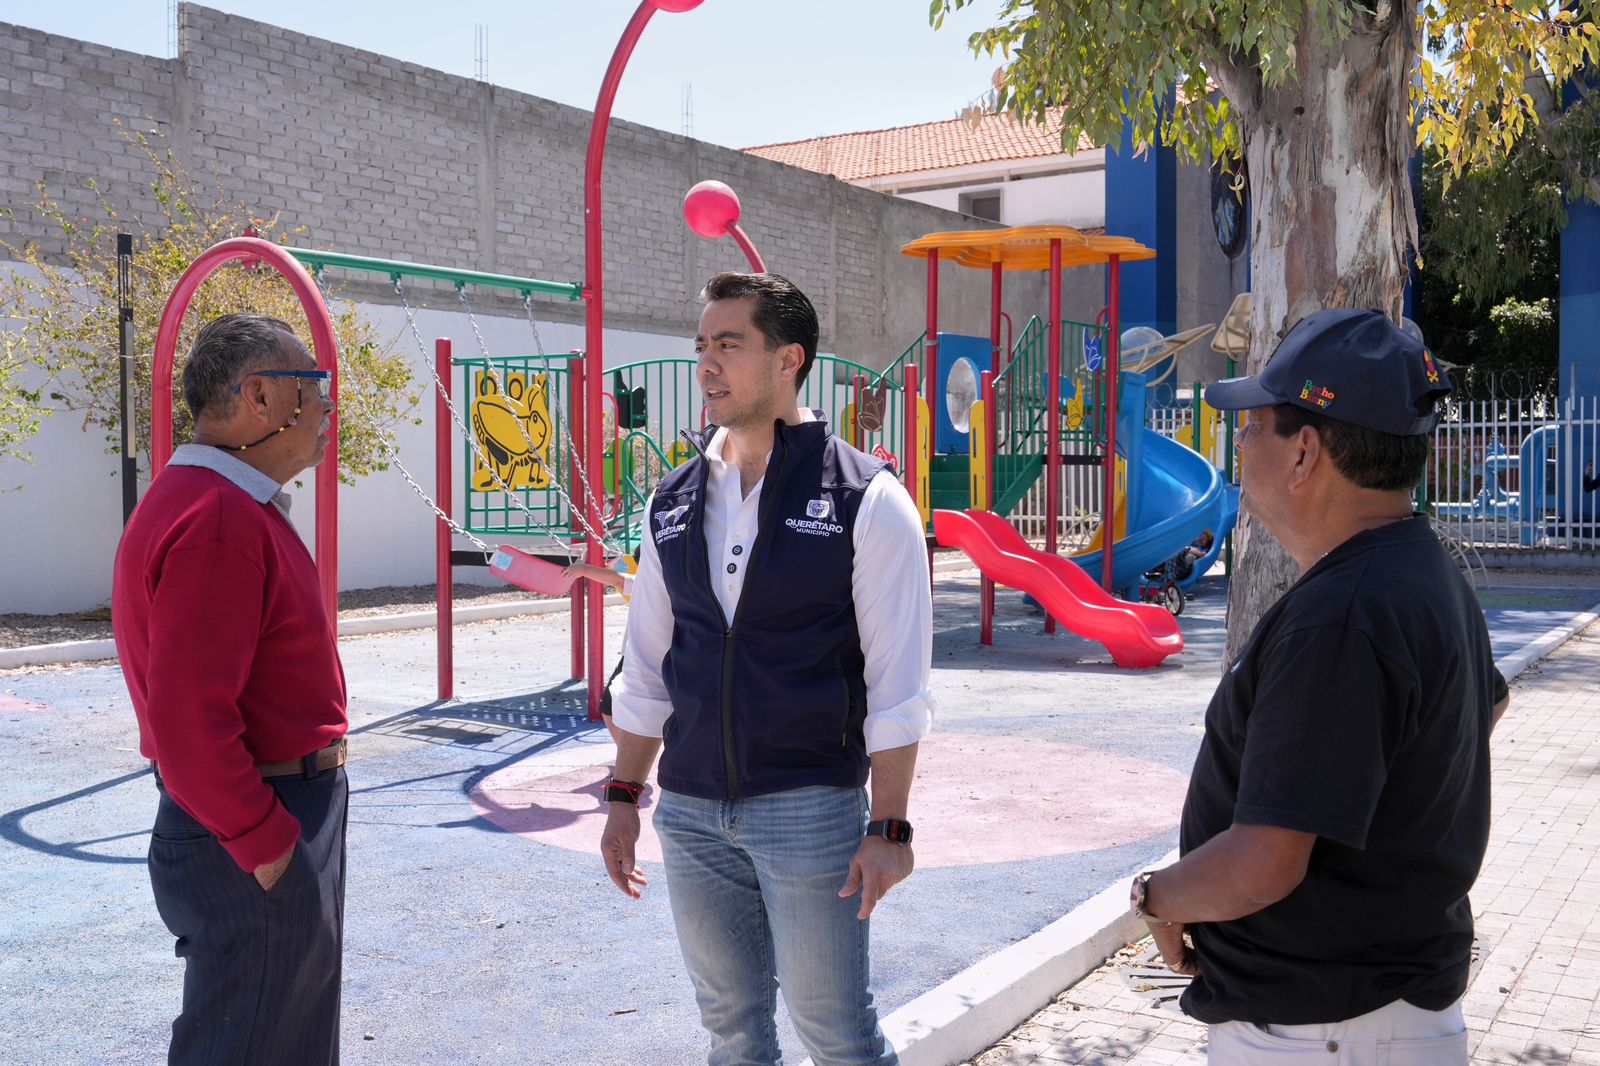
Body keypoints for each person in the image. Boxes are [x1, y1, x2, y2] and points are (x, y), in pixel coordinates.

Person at [1128, 309, 1511, 1061]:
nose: (1238, 442)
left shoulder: (1342, 616)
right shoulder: (1423, 568)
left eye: (1252, 425)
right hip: (1368, 1021)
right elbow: (1487, 701)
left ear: (1304, 451)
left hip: (1322, 1033)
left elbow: (1265, 861)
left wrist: (1156, 897)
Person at [599, 272, 934, 1066]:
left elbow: (899, 686)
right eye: (701, 347)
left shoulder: (868, 499)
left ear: (789, 359)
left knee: (839, 1037)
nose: (706, 366)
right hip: (688, 811)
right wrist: (622, 794)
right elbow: (647, 666)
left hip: (810, 811)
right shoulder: (671, 501)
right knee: (732, 1035)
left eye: (728, 345)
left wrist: (888, 826)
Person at [112, 313, 348, 1066]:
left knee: (277, 1039)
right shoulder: (217, 518)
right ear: (260, 399)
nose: (327, 405)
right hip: (254, 823)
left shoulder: (216, 503)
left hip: (261, 817)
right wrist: (266, 843)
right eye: (316, 386)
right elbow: (187, 722)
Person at [562, 558, 635, 741]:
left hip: (637, 657)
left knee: (609, 708)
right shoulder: (679, 584)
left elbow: (618, 579)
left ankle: (627, 764)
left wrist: (583, 569)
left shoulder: (647, 583)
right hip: (670, 654)